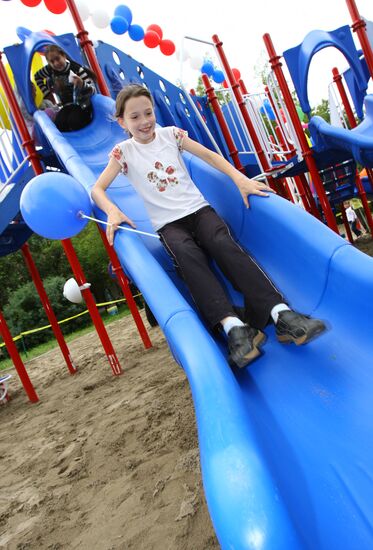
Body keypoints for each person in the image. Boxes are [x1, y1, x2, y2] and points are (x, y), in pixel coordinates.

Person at [91, 84, 326, 369]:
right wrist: (112, 210)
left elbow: (210, 157)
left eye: (148, 113)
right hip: (169, 226)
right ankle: (234, 329)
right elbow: (98, 190)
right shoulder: (123, 153)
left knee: (223, 244)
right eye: (135, 117)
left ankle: (281, 314)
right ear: (122, 123)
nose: (144, 122)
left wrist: (239, 179)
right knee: (188, 259)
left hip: (199, 210)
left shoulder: (171, 135)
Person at [34, 45, 96, 132]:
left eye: (58, 59)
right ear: (48, 63)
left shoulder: (76, 69)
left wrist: (82, 83)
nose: (56, 63)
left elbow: (93, 90)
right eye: (52, 61)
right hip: (67, 105)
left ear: (63, 56)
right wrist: (47, 93)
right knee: (59, 123)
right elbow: (37, 77)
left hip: (82, 105)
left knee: (74, 121)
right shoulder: (49, 69)